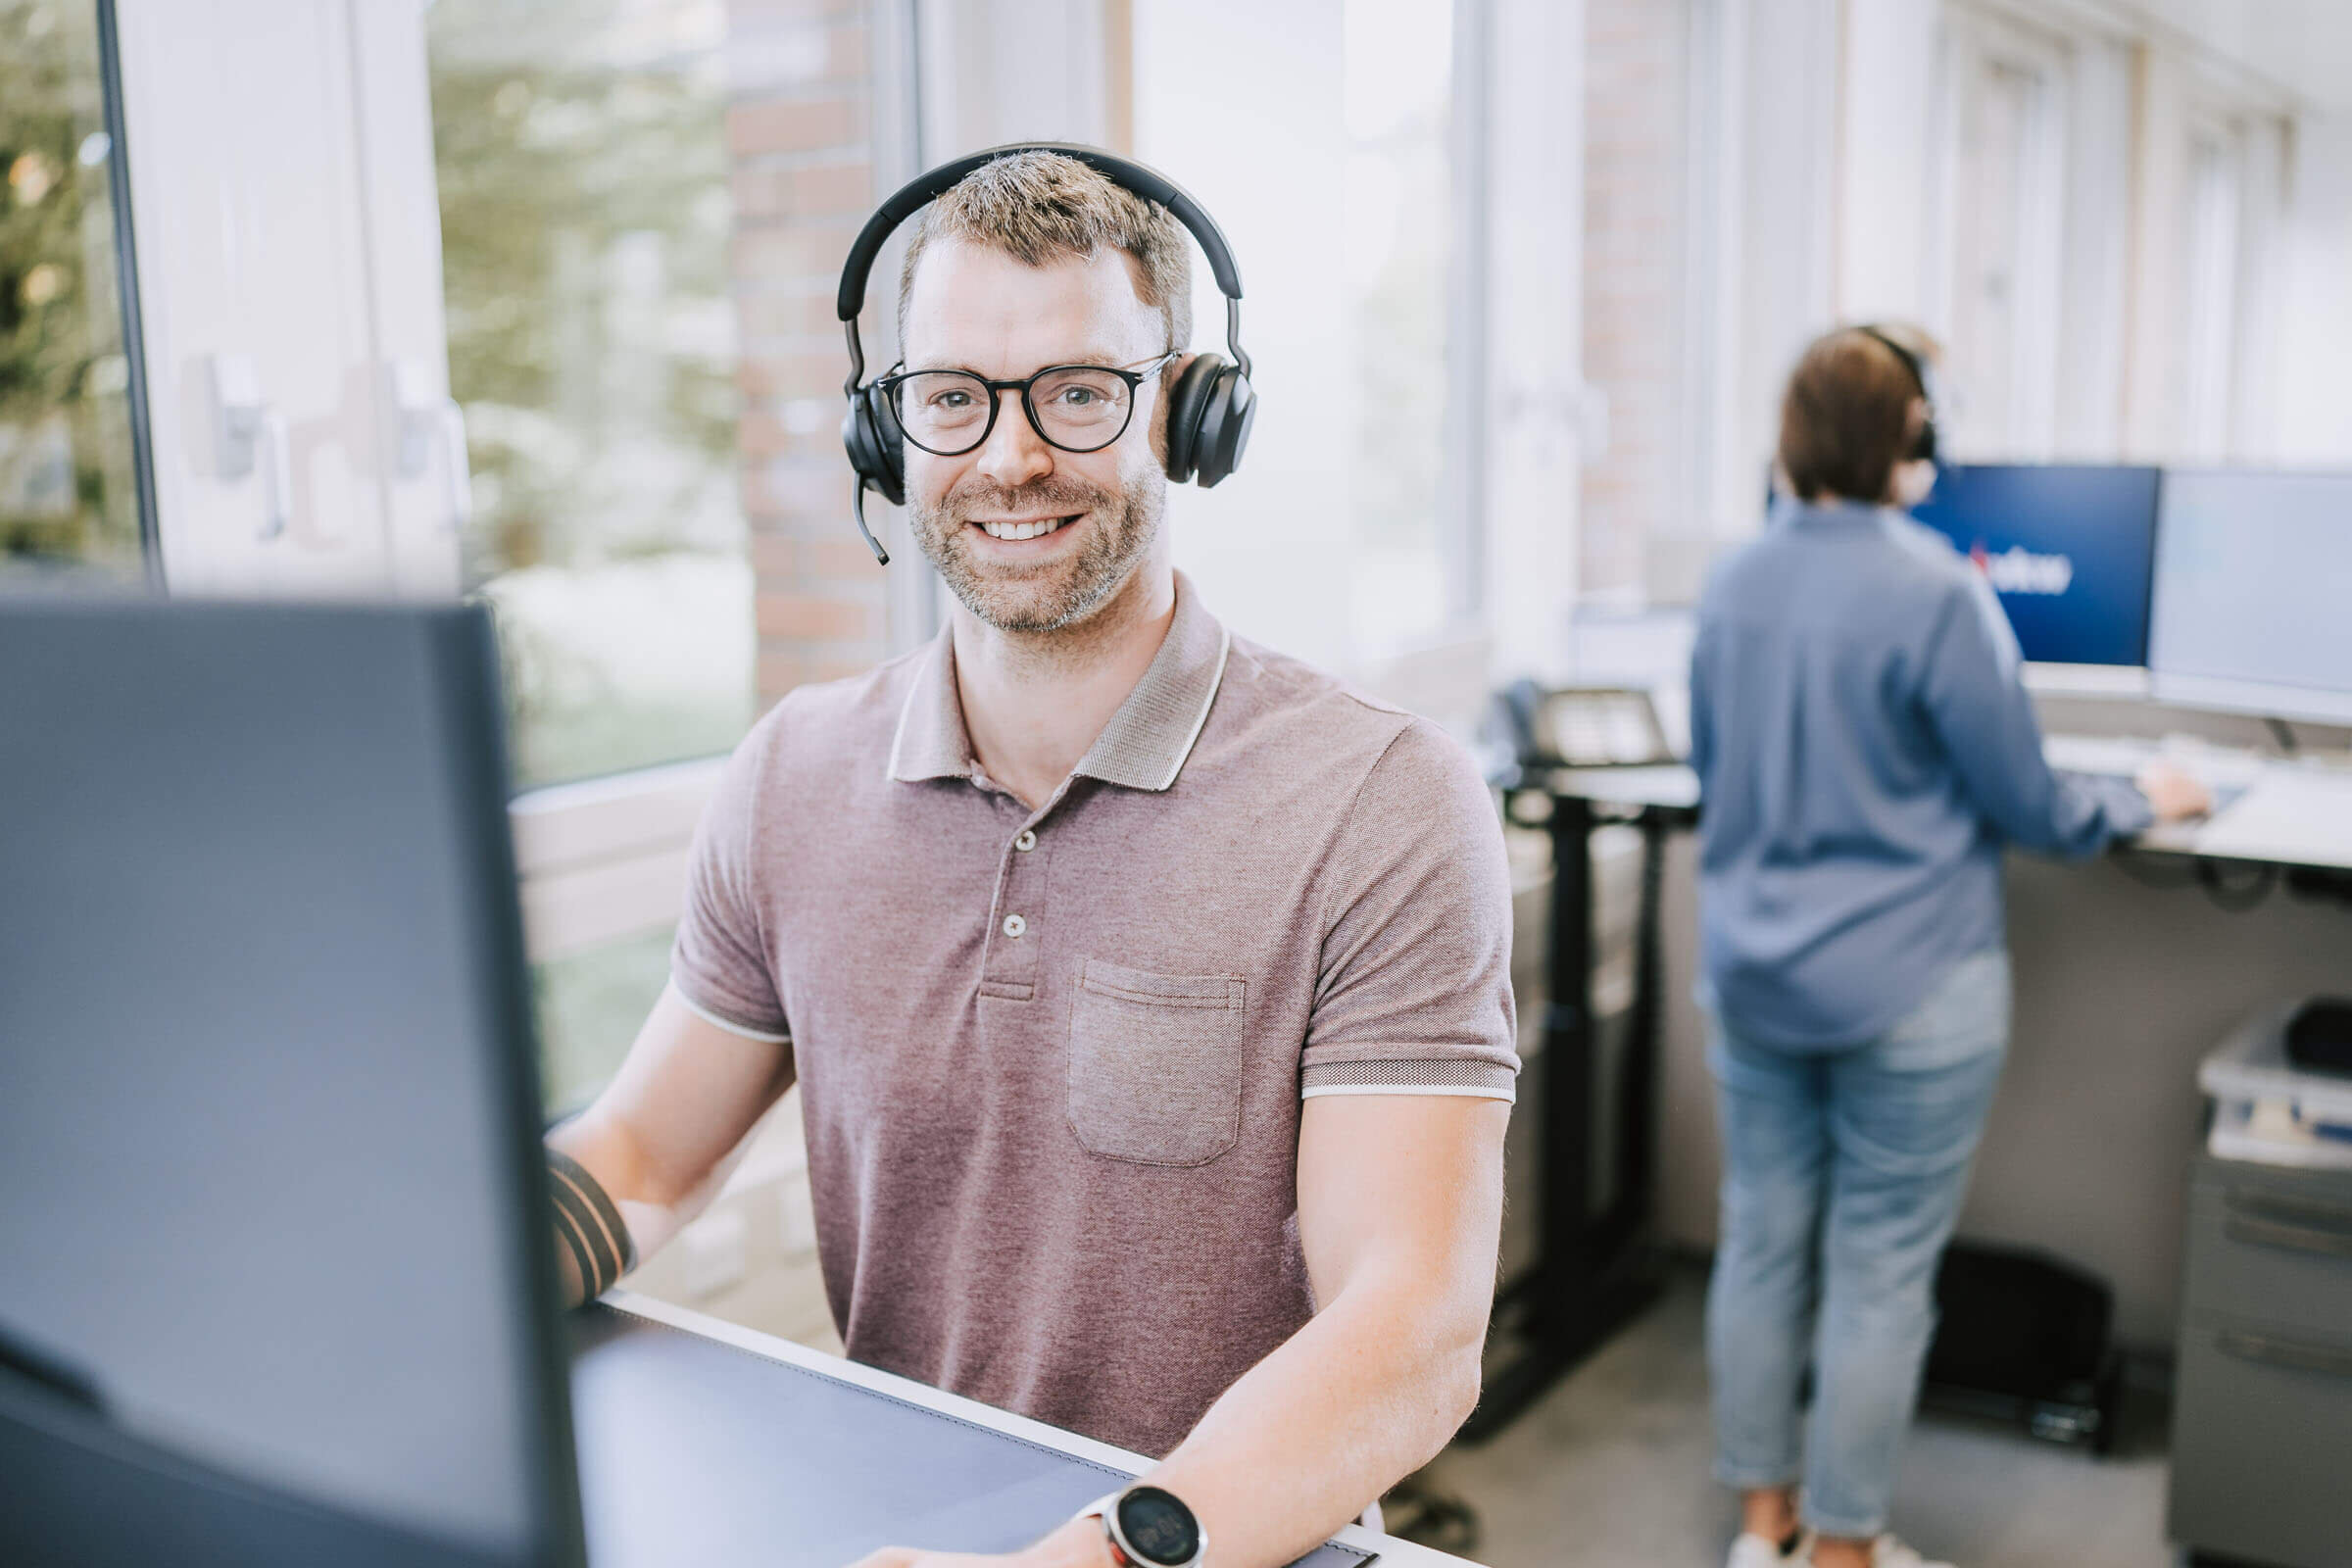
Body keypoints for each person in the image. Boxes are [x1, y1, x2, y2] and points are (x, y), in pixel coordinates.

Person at [539, 149, 1518, 1568]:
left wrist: (1097, 1561)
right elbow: (638, 1148)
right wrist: (454, 1299)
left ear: (1185, 411)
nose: (1009, 458)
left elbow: (1412, 1323)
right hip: (891, 1530)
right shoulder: (790, 777)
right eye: (953, 399)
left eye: (1077, 391)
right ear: (890, 435)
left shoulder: (1382, 799)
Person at [1687, 324, 2211, 1568]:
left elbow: (1720, 773)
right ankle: (1845, 1551)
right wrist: (2153, 795)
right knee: (1877, 1273)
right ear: (1911, 441)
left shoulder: (1731, 581)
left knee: (1760, 1241)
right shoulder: (1939, 594)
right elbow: (2036, 806)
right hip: (1912, 992)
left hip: (1755, 980)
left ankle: (1764, 1533)